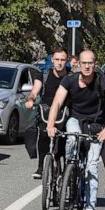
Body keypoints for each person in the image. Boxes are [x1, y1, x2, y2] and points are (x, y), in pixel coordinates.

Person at [47, 50, 105, 210]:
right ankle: (70, 170)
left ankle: (89, 208)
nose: (87, 66)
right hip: (75, 120)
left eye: (90, 63)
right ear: (78, 64)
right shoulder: (69, 80)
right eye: (84, 63)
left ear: (95, 64)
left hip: (97, 124)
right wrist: (51, 125)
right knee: (71, 138)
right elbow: (57, 102)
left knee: (91, 167)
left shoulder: (104, 81)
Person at [26, 47, 68, 179]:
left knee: (64, 140)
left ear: (66, 61)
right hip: (46, 111)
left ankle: (64, 166)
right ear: (52, 60)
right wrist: (31, 99)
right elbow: (34, 91)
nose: (59, 62)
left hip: (65, 113)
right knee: (43, 136)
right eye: (57, 59)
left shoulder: (71, 77)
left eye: (62, 60)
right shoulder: (43, 75)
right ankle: (41, 167)